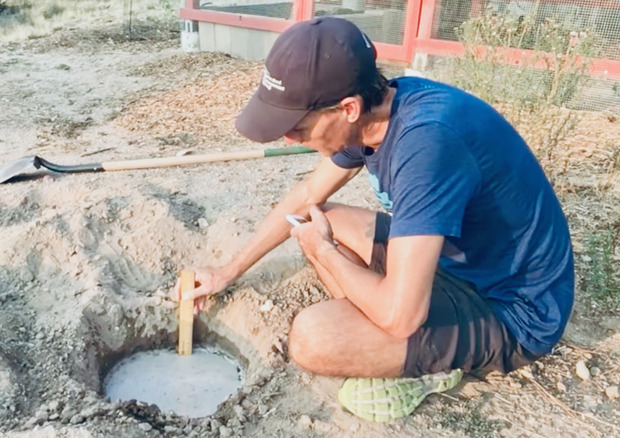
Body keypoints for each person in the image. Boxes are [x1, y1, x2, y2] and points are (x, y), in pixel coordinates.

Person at [174, 17, 574, 422]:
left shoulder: (427, 144)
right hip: (453, 262)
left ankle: (430, 368)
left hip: (511, 308)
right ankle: (394, 334)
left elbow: (402, 316)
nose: (288, 139)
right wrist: (228, 271)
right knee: (321, 215)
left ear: (348, 108)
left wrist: (326, 254)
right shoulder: (379, 112)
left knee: (313, 338)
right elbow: (306, 196)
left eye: (298, 127)